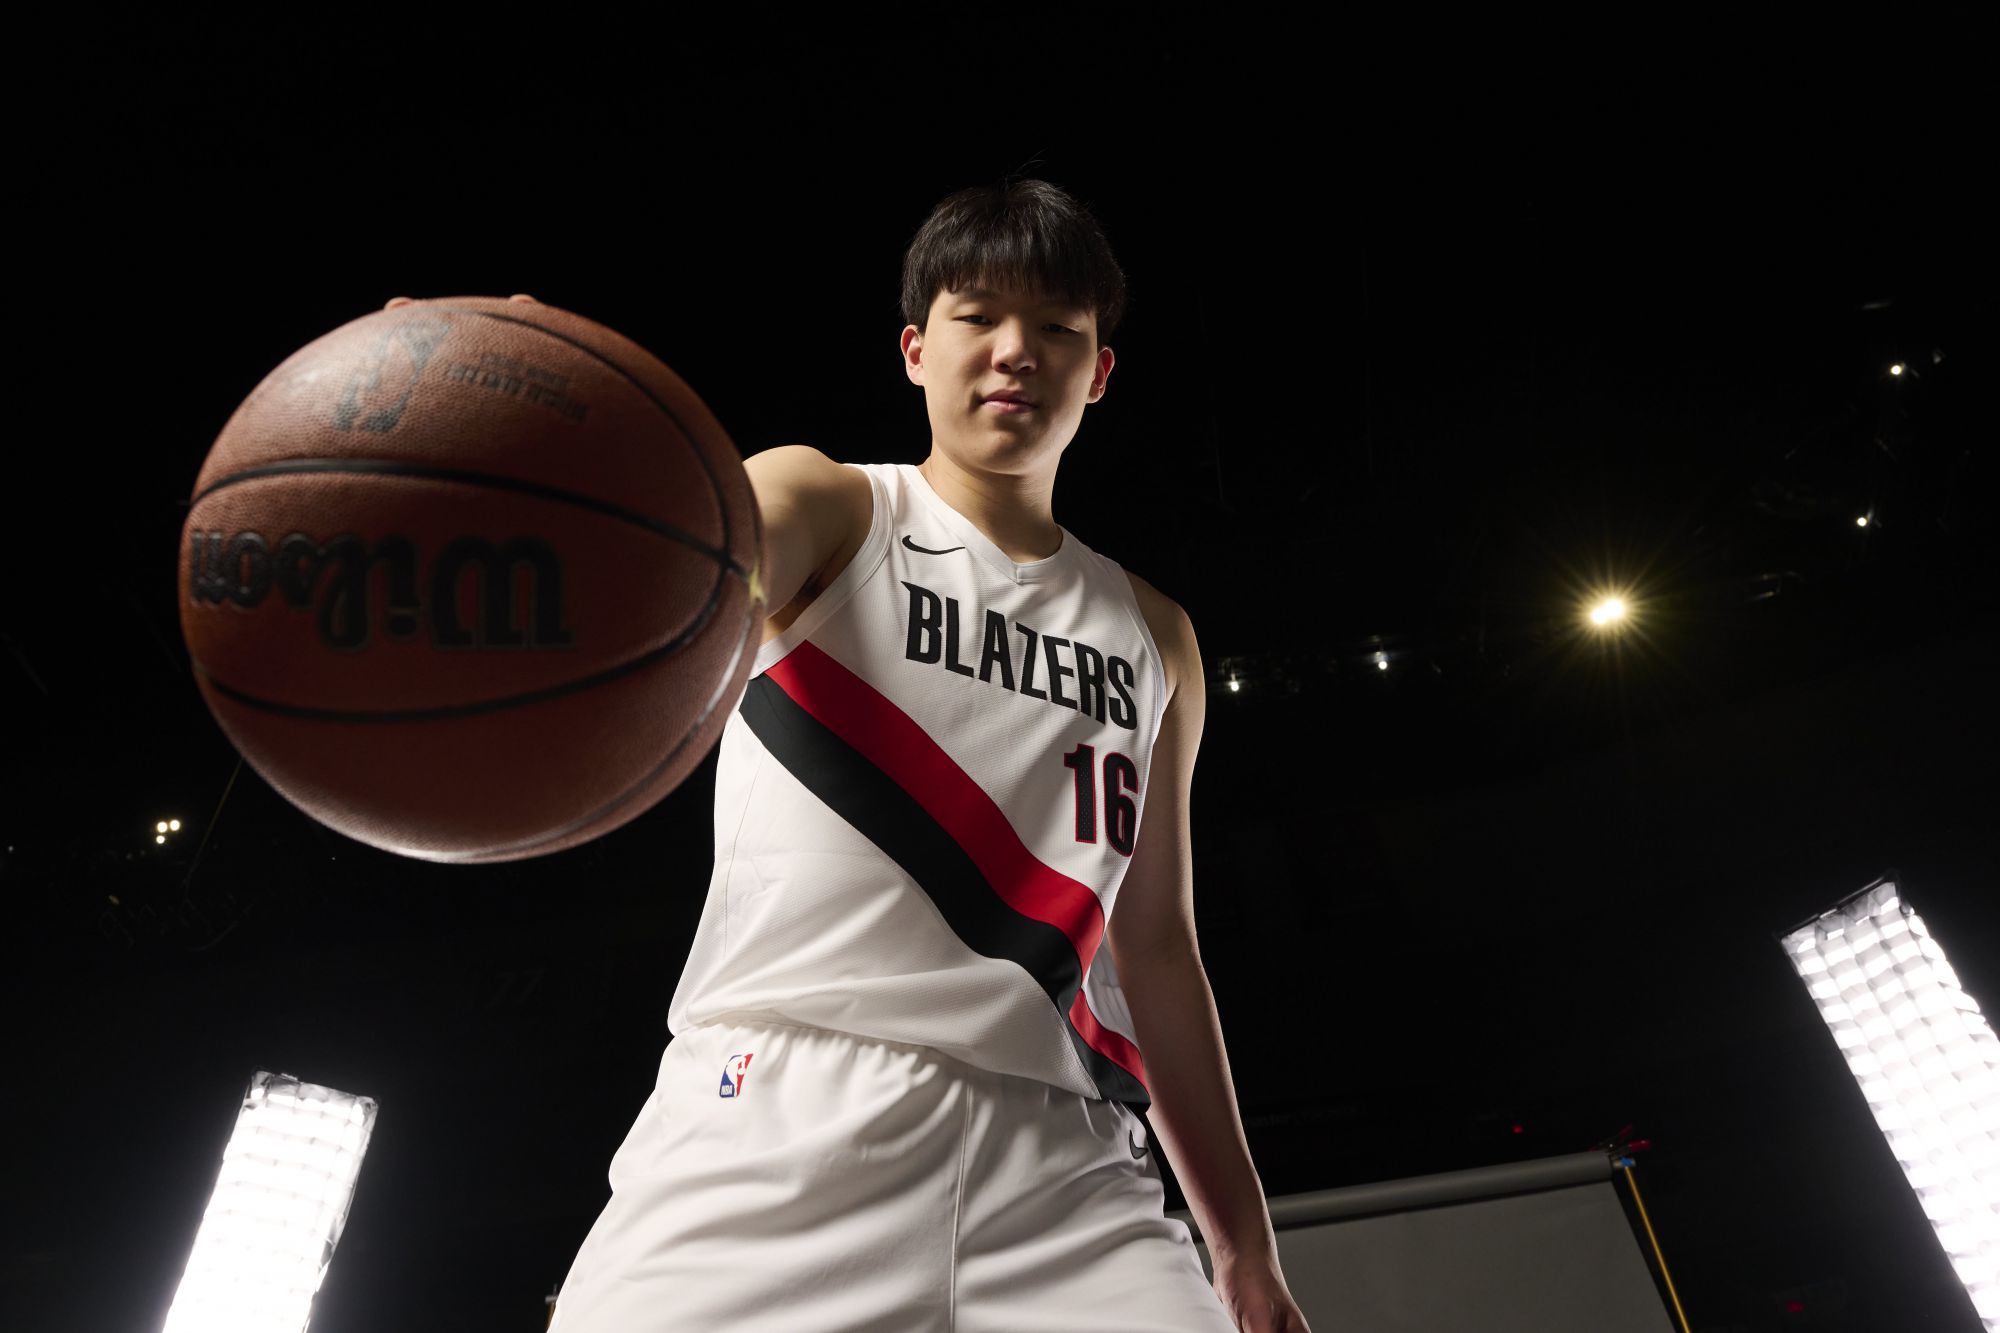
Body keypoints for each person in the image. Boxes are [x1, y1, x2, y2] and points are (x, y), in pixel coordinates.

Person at [414, 177, 1308, 1332]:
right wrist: (531, 431)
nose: (1014, 350)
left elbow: (1158, 949)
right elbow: (667, 580)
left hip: (1066, 1161)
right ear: (913, 350)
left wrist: (1242, 1248)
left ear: (1097, 372)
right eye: (977, 316)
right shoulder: (831, 508)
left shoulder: (1154, 634)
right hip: (783, 1113)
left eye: (1055, 328)